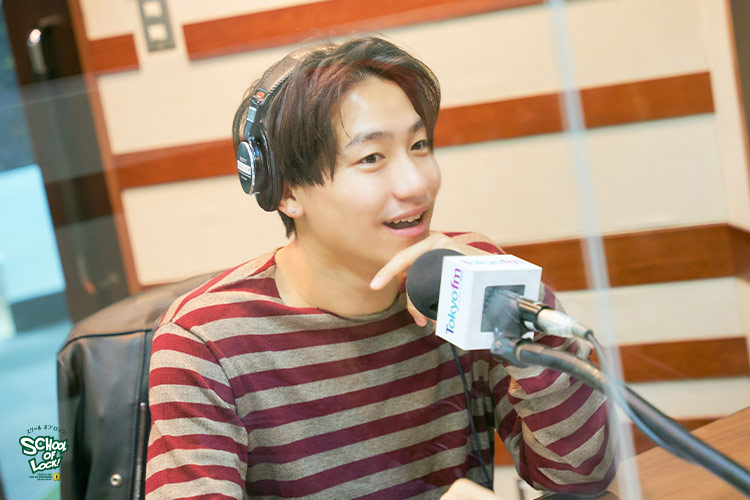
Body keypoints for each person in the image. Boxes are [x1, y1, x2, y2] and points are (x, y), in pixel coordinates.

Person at [144, 36, 615, 499]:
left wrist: (520, 315)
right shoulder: (205, 341)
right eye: (371, 158)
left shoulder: (463, 276)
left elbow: (581, 477)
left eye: (420, 145)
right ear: (286, 192)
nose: (417, 184)